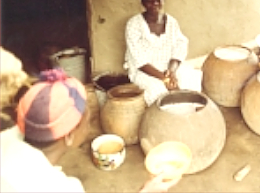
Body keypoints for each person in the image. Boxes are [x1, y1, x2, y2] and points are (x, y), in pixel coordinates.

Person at [0, 48, 181, 192]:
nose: (89, 125)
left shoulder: (5, 140)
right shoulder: (61, 188)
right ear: (69, 135)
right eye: (87, 120)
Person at [124, 0, 202, 106]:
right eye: (149, 1)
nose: (154, 4)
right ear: (143, 3)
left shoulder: (171, 22)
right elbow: (139, 60)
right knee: (159, 91)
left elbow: (180, 45)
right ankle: (167, 120)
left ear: (163, 0)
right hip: (146, 71)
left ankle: (189, 114)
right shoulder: (134, 24)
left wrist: (171, 72)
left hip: (168, 67)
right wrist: (164, 79)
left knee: (192, 78)